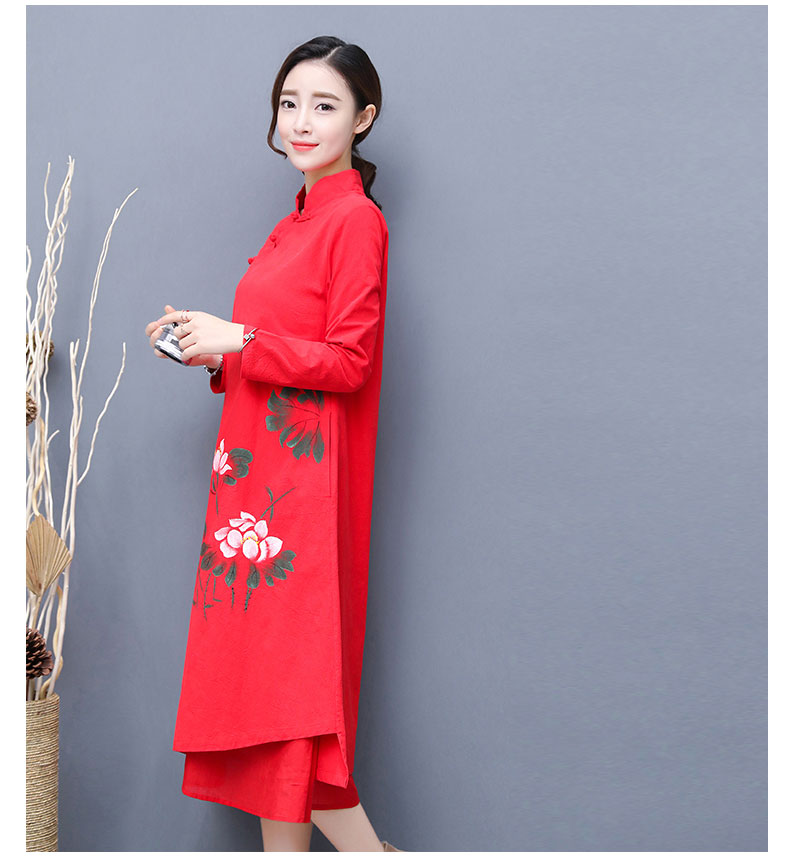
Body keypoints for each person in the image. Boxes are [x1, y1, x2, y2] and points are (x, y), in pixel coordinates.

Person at [144, 36, 403, 852]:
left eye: (324, 106)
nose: (301, 121)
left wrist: (240, 337)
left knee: (289, 704)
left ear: (363, 119)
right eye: (290, 103)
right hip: (252, 485)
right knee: (265, 708)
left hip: (300, 498)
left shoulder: (354, 220)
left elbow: (351, 362)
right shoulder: (293, 222)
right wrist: (209, 349)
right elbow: (275, 351)